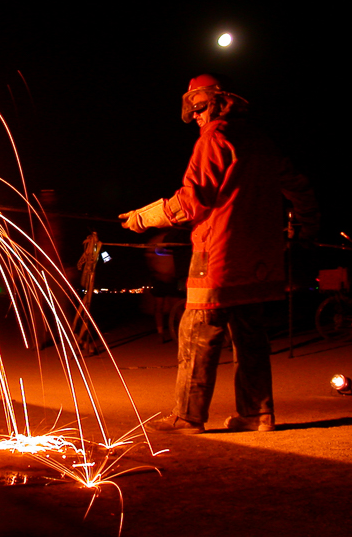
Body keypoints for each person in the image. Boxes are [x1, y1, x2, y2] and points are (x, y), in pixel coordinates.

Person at [120, 74, 318, 433]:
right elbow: (300, 188)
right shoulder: (261, 141)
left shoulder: (215, 138)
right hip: (259, 260)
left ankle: (188, 416)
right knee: (251, 335)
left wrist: (143, 217)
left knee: (197, 332)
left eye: (197, 110)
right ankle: (257, 414)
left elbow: (195, 199)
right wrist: (304, 230)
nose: (195, 118)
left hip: (218, 254)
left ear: (212, 103)